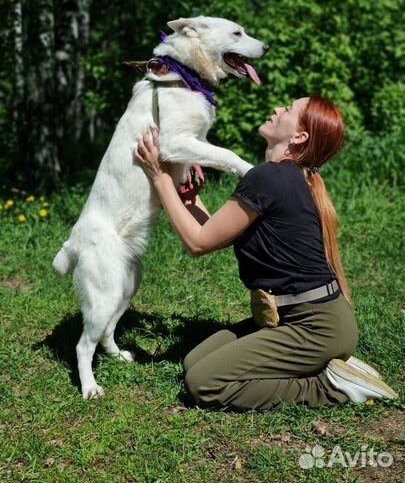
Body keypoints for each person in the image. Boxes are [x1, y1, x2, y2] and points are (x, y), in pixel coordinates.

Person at [135, 96, 398, 411]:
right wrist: (188, 198)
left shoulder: (270, 178)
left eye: (288, 110)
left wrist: (159, 177)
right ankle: (324, 365)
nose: (277, 109)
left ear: (300, 136)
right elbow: (213, 235)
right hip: (299, 319)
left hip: (315, 326)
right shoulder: (286, 177)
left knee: (203, 384)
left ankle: (331, 386)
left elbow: (197, 244)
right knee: (194, 362)